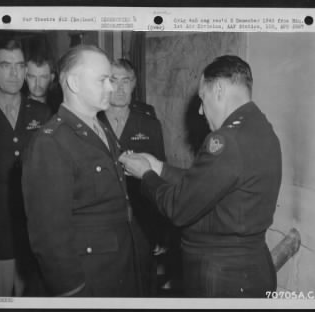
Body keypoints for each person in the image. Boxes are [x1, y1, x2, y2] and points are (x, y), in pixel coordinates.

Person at [119, 55, 282, 297]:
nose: (200, 110)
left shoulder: (226, 140)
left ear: (218, 90)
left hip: (222, 276)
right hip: (251, 266)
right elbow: (208, 182)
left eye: (202, 99)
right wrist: (160, 168)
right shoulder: (260, 127)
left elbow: (179, 208)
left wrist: (145, 175)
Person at [22, 45, 147, 297]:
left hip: (120, 266)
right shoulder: (51, 142)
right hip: (90, 279)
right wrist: (72, 292)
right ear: (74, 83)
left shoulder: (99, 127)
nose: (111, 88)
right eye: (103, 80)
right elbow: (49, 235)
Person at [98, 59, 177, 296]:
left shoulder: (149, 124)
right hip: (103, 220)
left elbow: (160, 177)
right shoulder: (93, 123)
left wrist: (162, 229)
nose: (120, 88)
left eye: (126, 81)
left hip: (141, 220)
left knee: (144, 283)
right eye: (114, 81)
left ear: (134, 85)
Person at [0, 33, 51, 297]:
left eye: (20, 66)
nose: (14, 74)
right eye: (5, 65)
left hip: (33, 235)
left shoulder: (42, 114)